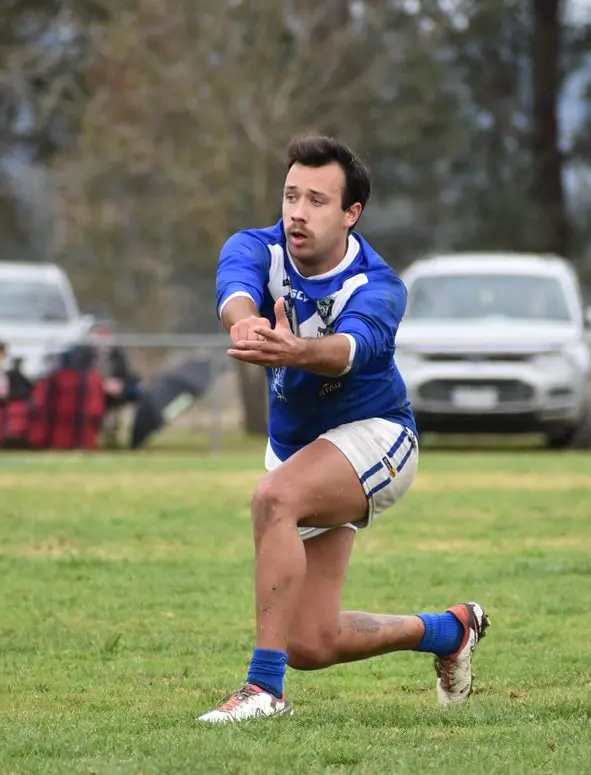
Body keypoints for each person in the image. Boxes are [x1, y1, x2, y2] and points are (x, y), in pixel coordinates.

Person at [198, 135, 489, 723]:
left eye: (317, 200)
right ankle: (449, 631)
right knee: (310, 642)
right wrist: (247, 324)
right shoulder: (256, 247)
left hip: (377, 436)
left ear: (351, 213)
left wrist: (295, 350)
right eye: (291, 196)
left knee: (273, 499)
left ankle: (263, 690)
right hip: (300, 451)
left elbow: (347, 352)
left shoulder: (378, 285)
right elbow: (235, 292)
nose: (297, 213)